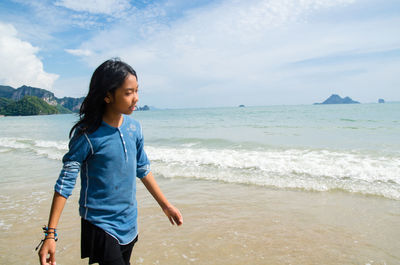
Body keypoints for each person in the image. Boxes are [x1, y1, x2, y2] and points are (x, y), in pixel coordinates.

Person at [38, 58, 183, 265]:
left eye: (136, 91)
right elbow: (65, 183)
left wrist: (166, 206)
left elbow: (142, 169)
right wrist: (50, 234)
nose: (135, 98)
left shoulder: (135, 128)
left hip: (129, 224)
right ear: (107, 95)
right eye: (128, 92)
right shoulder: (87, 134)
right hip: (100, 225)